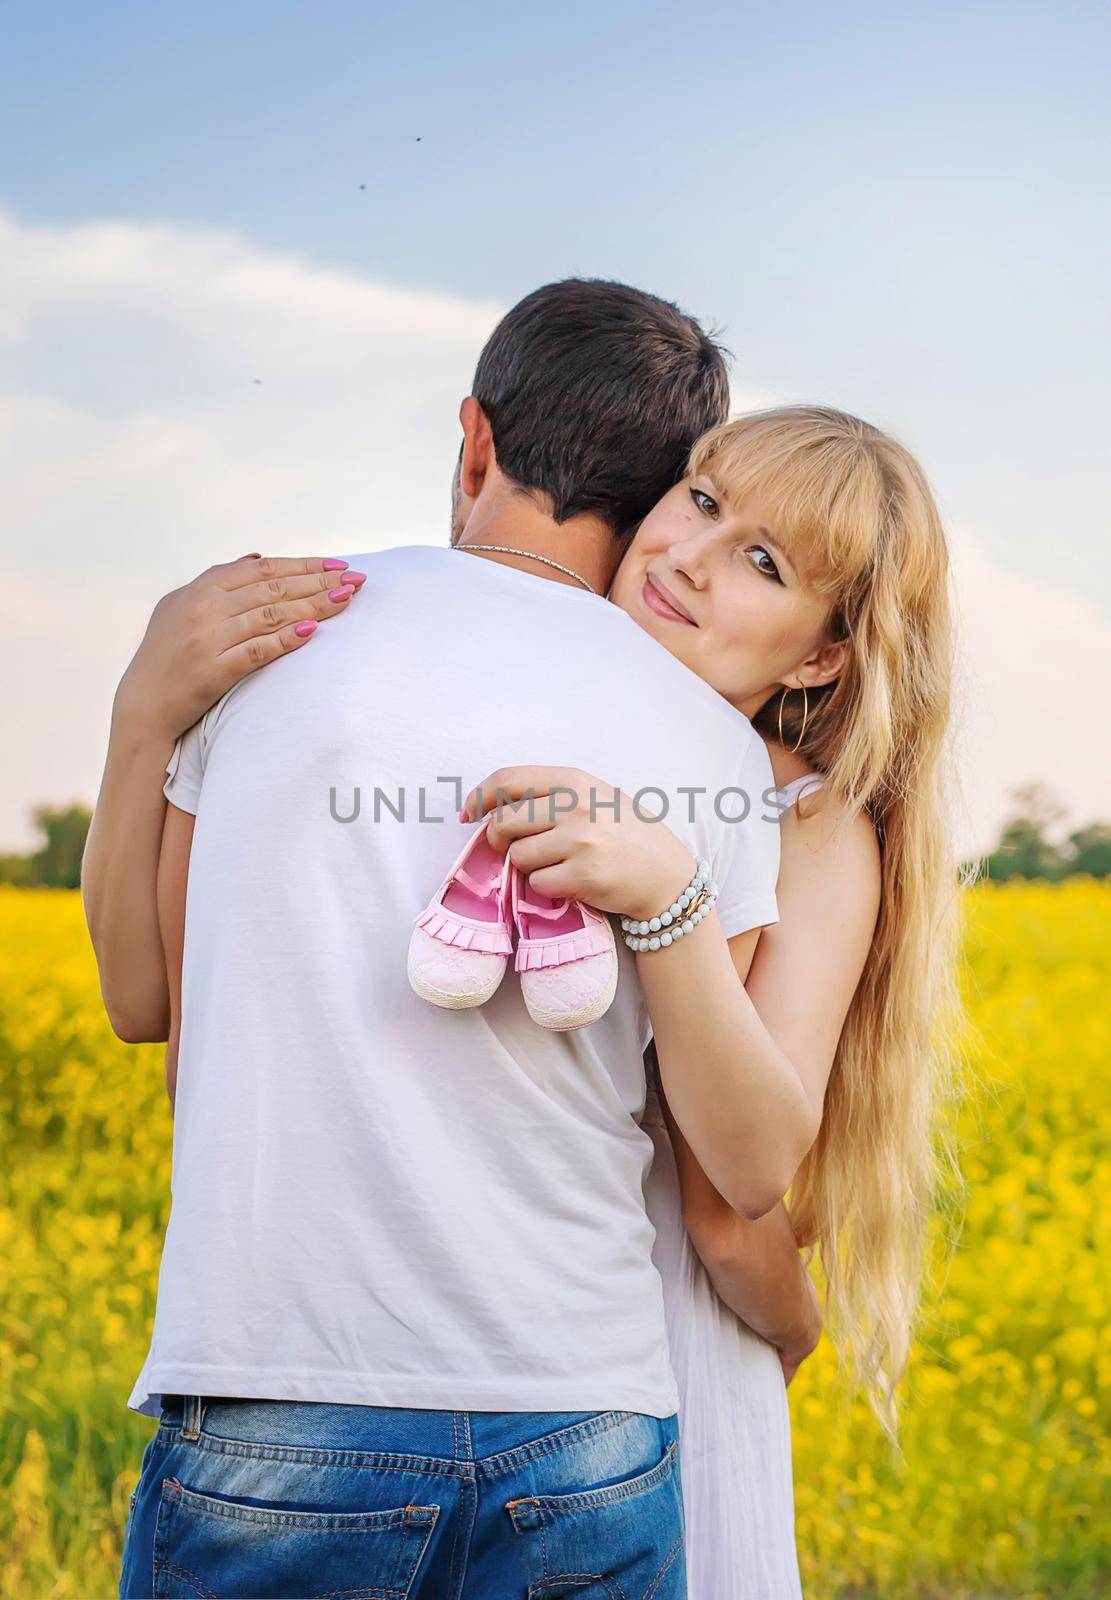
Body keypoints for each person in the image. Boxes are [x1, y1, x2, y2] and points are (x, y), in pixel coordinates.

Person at [88, 278, 815, 1600]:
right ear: (661, 489)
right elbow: (721, 1147)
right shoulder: (714, 748)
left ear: (474, 438)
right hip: (585, 1413)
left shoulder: (267, 635)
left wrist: (144, 712)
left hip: (282, 1394)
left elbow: (143, 1000)